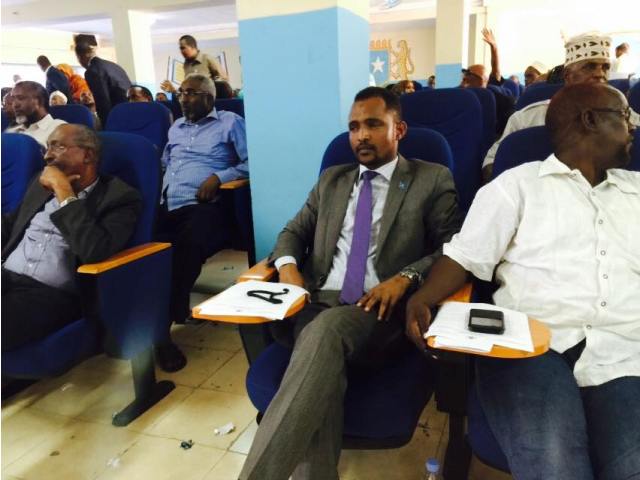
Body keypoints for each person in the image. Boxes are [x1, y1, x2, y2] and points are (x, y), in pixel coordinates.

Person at [406, 82, 639, 480]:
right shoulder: (516, 186)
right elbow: (465, 257)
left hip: (625, 354)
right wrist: (423, 297)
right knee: (556, 468)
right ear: (590, 120)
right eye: (623, 116)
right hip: (531, 347)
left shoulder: (636, 192)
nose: (632, 126)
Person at [239, 86, 462, 480]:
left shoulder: (430, 179)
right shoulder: (333, 180)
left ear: (399, 129)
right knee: (319, 362)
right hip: (313, 304)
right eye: (354, 127)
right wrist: (288, 268)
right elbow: (292, 232)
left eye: (373, 125)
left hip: (377, 311)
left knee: (324, 333)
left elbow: (452, 249)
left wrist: (406, 277)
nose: (361, 136)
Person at [2, 124, 142, 352]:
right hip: (6, 275)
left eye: (58, 147)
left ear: (88, 155)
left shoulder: (120, 198)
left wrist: (64, 191)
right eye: (47, 147)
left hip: (50, 294)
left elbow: (94, 252)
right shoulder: (40, 183)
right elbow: (12, 224)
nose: (47, 156)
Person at [155, 73, 248, 372]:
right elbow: (165, 165)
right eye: (181, 92)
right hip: (166, 205)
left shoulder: (230, 123)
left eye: (191, 93)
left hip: (204, 206)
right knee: (143, 253)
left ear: (209, 97)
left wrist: (219, 177)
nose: (183, 98)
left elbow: (252, 161)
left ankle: (162, 332)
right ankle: (135, 320)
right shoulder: (176, 127)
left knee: (186, 248)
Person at [481, 32, 625, 181]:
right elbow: (491, 163)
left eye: (605, 67)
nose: (600, 74)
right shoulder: (527, 119)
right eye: (590, 67)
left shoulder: (626, 118)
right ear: (568, 76)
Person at [74, 39, 132, 126]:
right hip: (130, 110)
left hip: (117, 116)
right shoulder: (113, 65)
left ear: (80, 57)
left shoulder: (92, 71)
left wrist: (106, 124)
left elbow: (102, 100)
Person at [6, 81, 66, 149]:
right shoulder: (11, 131)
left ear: (39, 101)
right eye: (13, 99)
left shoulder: (59, 128)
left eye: (21, 98)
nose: (15, 105)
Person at [160, 35, 227, 96]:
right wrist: (173, 90)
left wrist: (207, 88)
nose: (181, 51)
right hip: (194, 101)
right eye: (180, 49)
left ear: (192, 46)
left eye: (183, 48)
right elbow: (187, 88)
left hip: (209, 100)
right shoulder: (186, 65)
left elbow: (223, 80)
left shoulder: (207, 59)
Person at [460, 63, 515, 136]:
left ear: (481, 80)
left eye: (469, 74)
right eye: (464, 76)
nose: (464, 82)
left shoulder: (504, 102)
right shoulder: (458, 97)